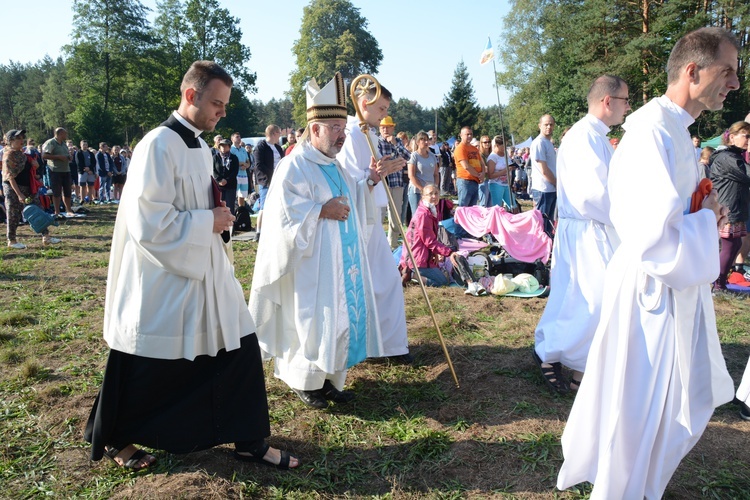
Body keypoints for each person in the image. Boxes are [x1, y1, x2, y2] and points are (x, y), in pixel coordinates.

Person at [83, 60, 298, 472]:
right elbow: (149, 222)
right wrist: (207, 221)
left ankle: (249, 440)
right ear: (190, 95)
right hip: (165, 276)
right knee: (149, 362)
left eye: (224, 104)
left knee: (239, 345)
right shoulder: (157, 145)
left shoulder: (198, 146)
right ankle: (114, 436)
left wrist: (218, 217)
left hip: (206, 268)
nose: (222, 112)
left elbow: (195, 207)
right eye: (216, 103)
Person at [557, 27, 738, 499]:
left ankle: (642, 484)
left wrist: (702, 209)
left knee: (671, 400)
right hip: (651, 292)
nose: (735, 84)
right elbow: (653, 235)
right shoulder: (649, 133)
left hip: (673, 286)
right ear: (692, 71)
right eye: (728, 72)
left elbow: (677, 210)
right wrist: (706, 218)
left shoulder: (674, 129)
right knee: (639, 404)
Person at [249, 72, 383, 409]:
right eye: (335, 128)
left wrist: (369, 182)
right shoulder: (294, 166)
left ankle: (329, 379)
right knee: (310, 321)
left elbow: (352, 197)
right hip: (310, 265)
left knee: (336, 318)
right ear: (316, 129)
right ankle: (303, 380)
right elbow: (281, 215)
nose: (341, 135)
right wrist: (320, 210)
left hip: (341, 262)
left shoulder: (335, 166)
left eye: (343, 128)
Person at [533, 75, 629, 394]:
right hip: (588, 230)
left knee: (577, 297)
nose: (627, 108)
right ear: (607, 102)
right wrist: (628, 216)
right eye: (625, 101)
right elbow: (592, 196)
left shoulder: (594, 135)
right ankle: (576, 366)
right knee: (592, 300)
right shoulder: (585, 136)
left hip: (589, 228)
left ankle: (556, 353)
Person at [337, 80, 412, 364]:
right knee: (373, 283)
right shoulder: (349, 134)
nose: (384, 115)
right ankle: (375, 345)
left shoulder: (369, 134)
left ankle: (390, 345)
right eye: (381, 108)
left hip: (372, 215)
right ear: (364, 104)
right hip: (358, 219)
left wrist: (384, 170)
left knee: (387, 280)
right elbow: (348, 180)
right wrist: (374, 176)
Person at [709, 121, 750, 291]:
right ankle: (717, 284)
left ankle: (721, 282)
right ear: (732, 137)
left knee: (736, 245)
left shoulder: (733, 156)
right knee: (730, 245)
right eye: (746, 136)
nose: (748, 140)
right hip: (727, 209)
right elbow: (748, 174)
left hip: (734, 208)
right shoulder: (726, 157)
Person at [2, 129, 61, 248]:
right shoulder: (9, 155)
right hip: (14, 188)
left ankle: (46, 237)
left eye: (22, 137)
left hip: (28, 186)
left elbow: (28, 169)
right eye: (18, 138)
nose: (21, 140)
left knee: (39, 211)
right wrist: (19, 195)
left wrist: (35, 165)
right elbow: (10, 177)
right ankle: (12, 241)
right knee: (13, 213)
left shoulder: (22, 153)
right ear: (10, 141)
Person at [377, 116, 410, 248]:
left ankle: (393, 245)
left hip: (396, 183)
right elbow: (378, 161)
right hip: (381, 184)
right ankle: (379, 246)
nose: (385, 129)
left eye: (388, 126)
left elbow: (408, 157)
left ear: (393, 128)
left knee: (395, 219)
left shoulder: (397, 141)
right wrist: (395, 162)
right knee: (379, 216)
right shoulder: (376, 141)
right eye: (383, 127)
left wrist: (396, 146)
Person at [253, 124, 283, 242]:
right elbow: (258, 165)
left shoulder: (278, 148)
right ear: (274, 133)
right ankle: (259, 232)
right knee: (264, 207)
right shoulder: (261, 147)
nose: (280, 136)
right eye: (279, 133)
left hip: (279, 181)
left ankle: (274, 230)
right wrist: (271, 175)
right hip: (266, 181)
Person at [530, 114, 557, 228]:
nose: (548, 127)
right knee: (541, 225)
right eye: (546, 124)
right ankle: (539, 246)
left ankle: (547, 245)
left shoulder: (548, 142)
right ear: (539, 125)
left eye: (551, 124)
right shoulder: (539, 142)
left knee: (548, 224)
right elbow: (544, 170)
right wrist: (557, 184)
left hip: (550, 188)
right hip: (543, 189)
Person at [42, 127, 75, 218]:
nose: (66, 135)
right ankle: (57, 211)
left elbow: (65, 154)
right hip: (55, 170)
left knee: (67, 191)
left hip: (66, 170)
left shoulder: (64, 143)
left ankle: (68, 210)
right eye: (65, 134)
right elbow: (44, 155)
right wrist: (58, 157)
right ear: (60, 134)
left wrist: (69, 157)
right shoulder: (51, 143)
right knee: (57, 192)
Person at [406, 131, 440, 217]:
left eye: (427, 140)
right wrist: (422, 189)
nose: (426, 142)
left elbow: (436, 174)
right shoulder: (414, 156)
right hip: (417, 191)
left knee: (430, 215)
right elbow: (411, 175)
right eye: (423, 140)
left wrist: (434, 188)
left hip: (430, 193)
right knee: (418, 216)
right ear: (417, 142)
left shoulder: (432, 156)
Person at [453, 126, 484, 207]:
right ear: (461, 135)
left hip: (475, 181)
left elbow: (482, 163)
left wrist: (483, 173)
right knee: (463, 207)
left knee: (472, 209)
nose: (470, 136)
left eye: (471, 134)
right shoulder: (460, 148)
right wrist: (478, 175)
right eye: (467, 134)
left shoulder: (474, 149)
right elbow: (466, 166)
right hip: (465, 181)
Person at [485, 135, 515, 209]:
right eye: (504, 145)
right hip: (496, 184)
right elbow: (490, 175)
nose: (505, 147)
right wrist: (505, 171)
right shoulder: (493, 157)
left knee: (514, 206)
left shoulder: (506, 155)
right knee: (497, 208)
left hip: (506, 184)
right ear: (497, 145)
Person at [213, 138, 239, 215]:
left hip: (230, 185)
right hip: (219, 186)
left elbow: (235, 171)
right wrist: (219, 180)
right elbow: (213, 170)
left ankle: (230, 225)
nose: (223, 148)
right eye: (222, 146)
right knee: (219, 206)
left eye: (225, 146)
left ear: (229, 147)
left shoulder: (234, 158)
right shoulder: (215, 157)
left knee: (229, 206)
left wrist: (227, 180)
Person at [230, 132, 250, 208]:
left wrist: (246, 165)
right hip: (236, 175)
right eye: (237, 137)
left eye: (239, 137)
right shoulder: (231, 149)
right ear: (232, 139)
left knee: (242, 195)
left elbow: (248, 162)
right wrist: (241, 163)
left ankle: (241, 210)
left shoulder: (243, 150)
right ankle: (232, 209)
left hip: (244, 175)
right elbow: (231, 161)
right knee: (234, 194)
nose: (239, 138)